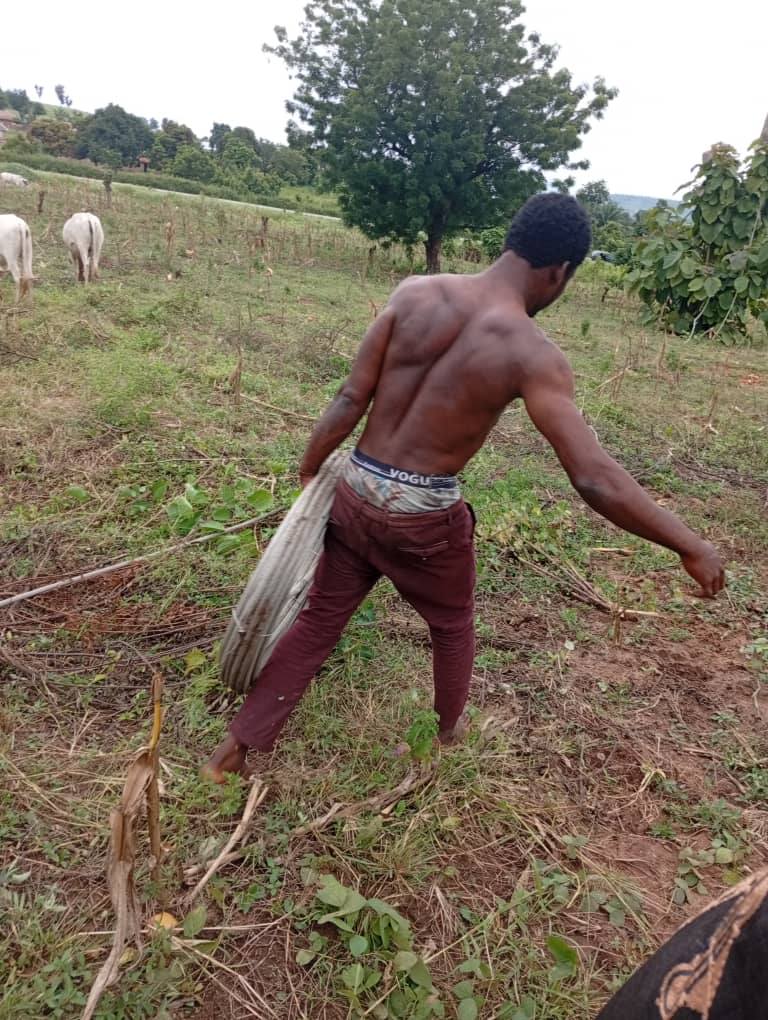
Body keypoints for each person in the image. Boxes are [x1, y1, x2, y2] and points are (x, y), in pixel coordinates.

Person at [204, 193, 725, 782]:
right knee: (451, 624)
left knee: (321, 619)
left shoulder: (412, 293)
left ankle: (234, 751)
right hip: (422, 515)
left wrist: (312, 469)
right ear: (559, 273)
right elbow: (593, 476)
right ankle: (444, 736)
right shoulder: (533, 353)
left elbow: (350, 398)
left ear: (512, 242)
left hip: (356, 488)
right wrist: (689, 544)